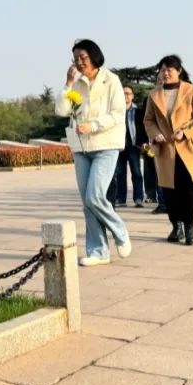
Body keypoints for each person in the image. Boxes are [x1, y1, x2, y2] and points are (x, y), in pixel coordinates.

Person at [55, 39, 132, 265]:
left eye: (83, 57)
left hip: (105, 145)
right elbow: (61, 111)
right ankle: (98, 251)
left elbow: (117, 114)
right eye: (75, 59)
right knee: (87, 202)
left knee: (94, 196)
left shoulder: (111, 80)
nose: (79, 62)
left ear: (94, 56)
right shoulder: (76, 84)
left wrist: (94, 125)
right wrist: (68, 84)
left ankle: (120, 231)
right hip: (81, 147)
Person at [144, 55, 193, 245]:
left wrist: (185, 131)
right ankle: (176, 226)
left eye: (169, 70)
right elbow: (148, 120)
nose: (165, 73)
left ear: (179, 71)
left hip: (187, 146)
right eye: (162, 70)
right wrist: (155, 134)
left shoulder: (192, 90)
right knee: (169, 190)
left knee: (187, 189)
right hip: (166, 148)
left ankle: (190, 228)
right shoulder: (153, 95)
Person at [115, 86, 146, 208]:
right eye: (123, 93)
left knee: (137, 173)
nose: (126, 96)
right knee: (120, 174)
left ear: (132, 96)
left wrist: (143, 142)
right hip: (119, 146)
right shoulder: (116, 111)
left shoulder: (138, 111)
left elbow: (143, 128)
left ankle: (138, 198)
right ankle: (121, 199)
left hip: (134, 146)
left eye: (128, 93)